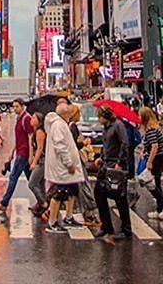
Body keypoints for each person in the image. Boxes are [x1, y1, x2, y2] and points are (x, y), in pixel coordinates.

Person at [43, 103, 85, 233]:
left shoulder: (61, 124)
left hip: (67, 167)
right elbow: (60, 146)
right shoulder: (58, 125)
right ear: (64, 114)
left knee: (72, 191)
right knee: (59, 193)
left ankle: (69, 217)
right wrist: (69, 163)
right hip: (63, 167)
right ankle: (52, 222)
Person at [93, 106, 133, 241]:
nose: (98, 119)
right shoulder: (106, 128)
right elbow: (107, 146)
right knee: (99, 193)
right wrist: (101, 158)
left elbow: (124, 144)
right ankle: (106, 226)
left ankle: (126, 230)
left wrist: (120, 163)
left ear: (105, 116)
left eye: (99, 116)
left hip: (116, 166)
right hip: (106, 165)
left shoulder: (118, 125)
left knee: (120, 197)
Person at [0, 99, 33, 214]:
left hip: (24, 153)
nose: (15, 109)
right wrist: (11, 153)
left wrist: (31, 155)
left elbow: (30, 137)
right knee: (31, 180)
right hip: (20, 152)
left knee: (13, 177)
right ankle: (43, 201)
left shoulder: (26, 118)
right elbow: (18, 138)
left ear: (22, 106)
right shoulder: (18, 119)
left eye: (17, 107)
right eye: (13, 107)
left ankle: (4, 203)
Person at [139, 106, 163, 220]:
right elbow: (151, 145)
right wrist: (144, 151)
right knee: (156, 183)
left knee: (148, 182)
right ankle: (160, 209)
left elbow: (154, 146)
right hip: (160, 157)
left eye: (140, 115)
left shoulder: (151, 130)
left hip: (158, 159)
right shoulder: (152, 128)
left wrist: (149, 161)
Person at [28, 111, 48, 216]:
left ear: (39, 121)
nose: (31, 119)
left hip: (42, 161)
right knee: (40, 184)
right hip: (41, 160)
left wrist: (34, 162)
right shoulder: (35, 131)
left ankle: (43, 204)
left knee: (32, 183)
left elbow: (40, 148)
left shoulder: (40, 131)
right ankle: (43, 204)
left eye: (34, 118)